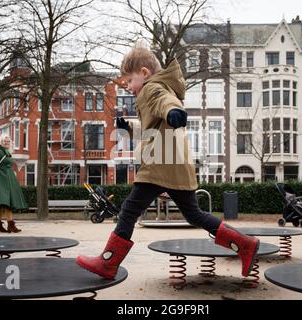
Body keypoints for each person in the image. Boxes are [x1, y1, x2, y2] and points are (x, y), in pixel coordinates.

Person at [76, 46, 260, 279]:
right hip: (175, 164)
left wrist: (174, 111)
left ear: (144, 72)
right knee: (194, 214)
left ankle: (108, 263)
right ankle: (244, 244)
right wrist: (130, 127)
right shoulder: (156, 88)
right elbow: (153, 128)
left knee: (130, 209)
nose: (129, 87)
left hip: (159, 163)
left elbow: (166, 102)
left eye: (130, 81)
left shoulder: (152, 89)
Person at [0, 135, 27, 233]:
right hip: (0, 181)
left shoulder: (6, 151)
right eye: (4, 141)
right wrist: (0, 173)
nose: (6, 142)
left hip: (5, 180)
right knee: (6, 202)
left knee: (0, 204)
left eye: (8, 141)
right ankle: (10, 225)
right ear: (0, 141)